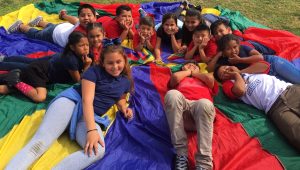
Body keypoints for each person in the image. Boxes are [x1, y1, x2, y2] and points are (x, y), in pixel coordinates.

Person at [5, 39, 134, 170]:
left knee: (98, 150)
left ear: (124, 61)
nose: (115, 66)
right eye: (110, 63)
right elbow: (87, 101)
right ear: (103, 63)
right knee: (41, 142)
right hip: (71, 103)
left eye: (118, 62)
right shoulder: (94, 72)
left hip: (88, 117)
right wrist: (91, 130)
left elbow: (120, 97)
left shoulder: (125, 82)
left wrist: (123, 107)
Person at [214, 65, 300, 151]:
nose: (226, 70)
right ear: (222, 81)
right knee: (295, 133)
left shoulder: (249, 71)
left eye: (226, 67)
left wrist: (240, 72)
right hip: (275, 108)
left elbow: (265, 65)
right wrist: (236, 76)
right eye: (223, 73)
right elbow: (240, 90)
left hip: (290, 91)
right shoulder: (228, 84)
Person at [0, 31, 92, 103]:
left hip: (50, 63)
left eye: (87, 45)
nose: (85, 48)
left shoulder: (83, 55)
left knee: (29, 63)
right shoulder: (71, 60)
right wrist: (87, 66)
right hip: (42, 70)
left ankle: (5, 61)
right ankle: (11, 74)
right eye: (81, 45)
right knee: (26, 67)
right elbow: (78, 81)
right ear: (72, 47)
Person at [164, 61, 217, 170]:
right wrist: (188, 72)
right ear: (183, 67)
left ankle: (204, 164)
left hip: (201, 113)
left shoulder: (204, 77)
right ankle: (181, 155)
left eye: (195, 66)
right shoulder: (180, 77)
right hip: (182, 112)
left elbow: (210, 80)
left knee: (205, 104)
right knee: (172, 94)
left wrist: (195, 74)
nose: (192, 66)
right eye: (189, 65)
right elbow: (174, 78)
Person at [213, 34, 300, 84]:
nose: (233, 50)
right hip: (267, 75)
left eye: (235, 47)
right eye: (228, 49)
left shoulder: (243, 48)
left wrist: (240, 60)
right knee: (293, 87)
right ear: (223, 52)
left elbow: (259, 57)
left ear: (238, 45)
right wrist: (217, 55)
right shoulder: (225, 62)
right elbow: (208, 68)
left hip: (273, 63)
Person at [7, 4, 97, 47]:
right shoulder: (81, 35)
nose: (86, 18)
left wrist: (64, 16)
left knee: (51, 26)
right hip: (53, 34)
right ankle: (20, 26)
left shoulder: (83, 24)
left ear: (95, 18)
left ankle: (39, 22)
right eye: (83, 15)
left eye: (89, 15)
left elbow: (74, 20)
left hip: (61, 26)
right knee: (36, 34)